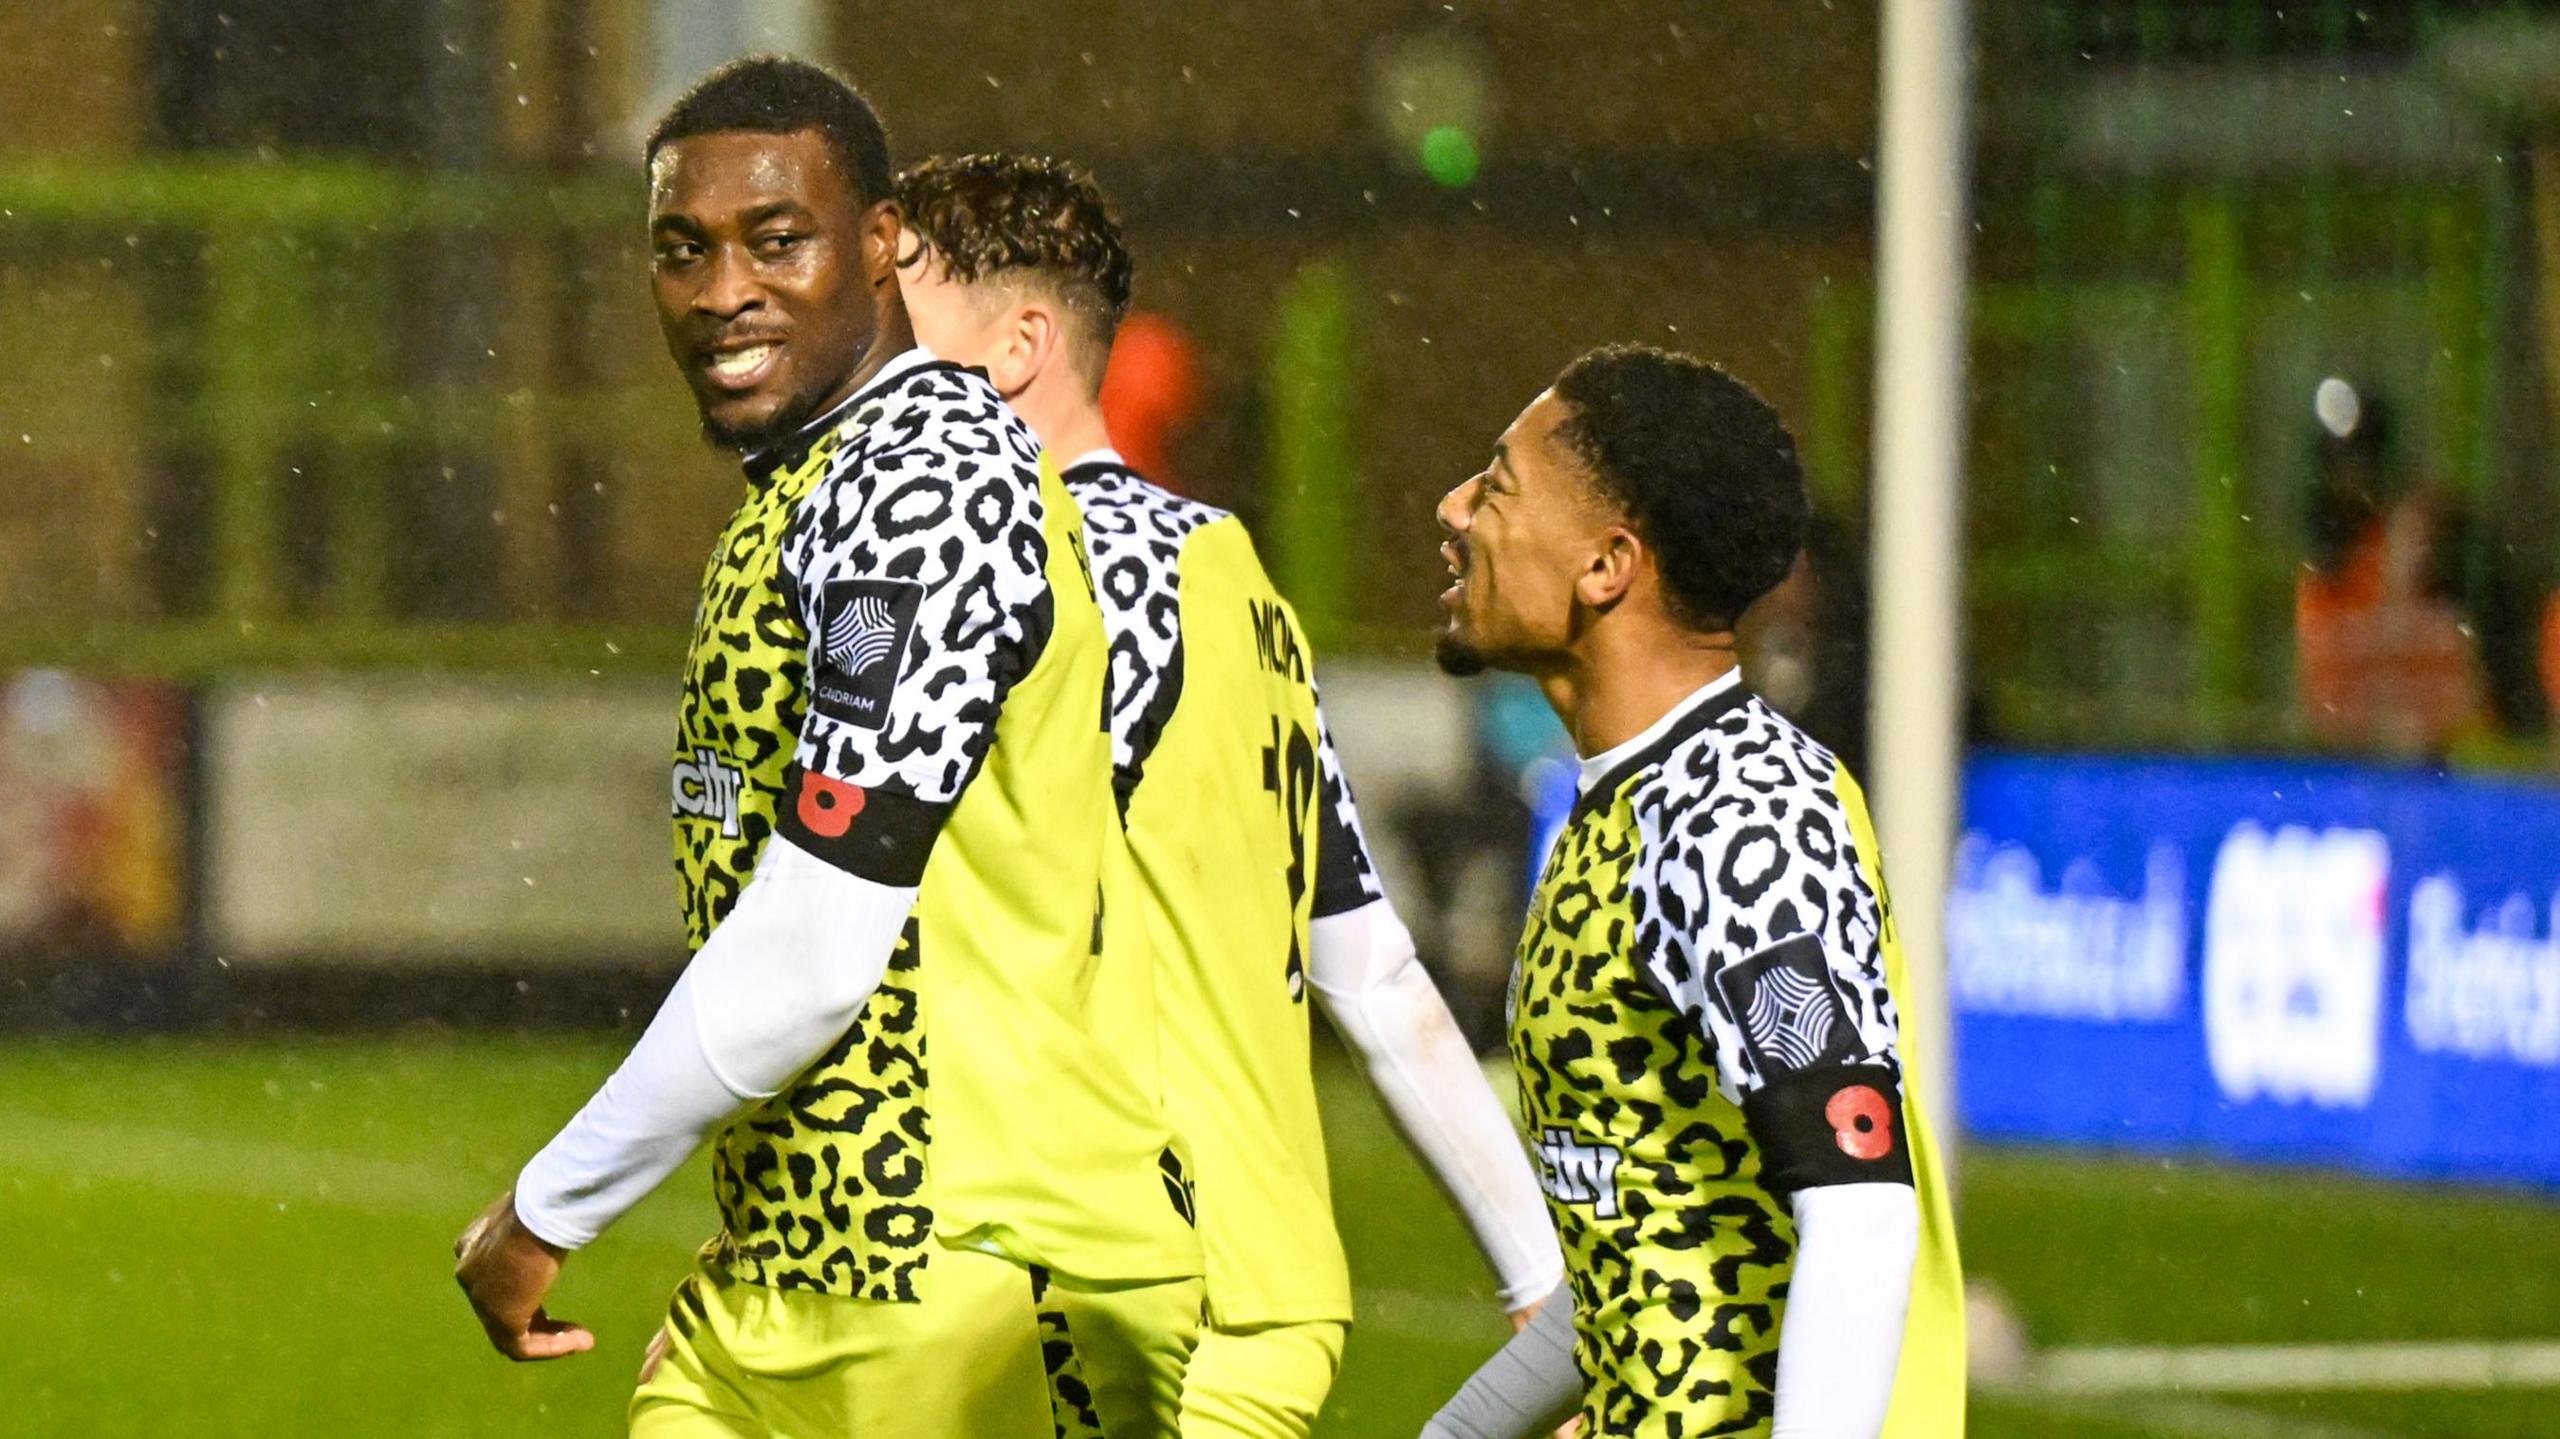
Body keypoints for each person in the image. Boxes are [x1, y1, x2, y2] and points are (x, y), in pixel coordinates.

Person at [449, 58, 1203, 1438]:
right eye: (684, 248)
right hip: (812, 1266)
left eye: (777, 238)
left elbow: (818, 936)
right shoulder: (823, 479)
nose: (723, 287)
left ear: (883, 249)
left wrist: (550, 1202)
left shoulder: (926, 485)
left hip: (978, 1273)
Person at [892, 151, 1563, 1439]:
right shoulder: (1232, 577)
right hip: (1258, 1289)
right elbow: (1371, 972)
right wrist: (1537, 1279)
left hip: (1096, 1277)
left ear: (1015, 350)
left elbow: (843, 939)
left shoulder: (1006, 575)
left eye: (902, 337)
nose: (869, 386)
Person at [1418, 346, 1965, 1438]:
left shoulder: (1741, 815)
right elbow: (1651, 1230)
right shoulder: (1628, 804)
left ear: (1605, 566)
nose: (1455, 508)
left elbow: (1856, 1214)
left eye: (1499, 482)